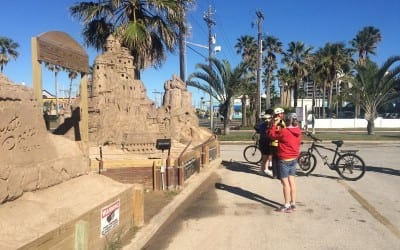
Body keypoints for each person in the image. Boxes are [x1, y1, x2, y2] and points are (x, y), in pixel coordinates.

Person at [268, 112, 302, 213]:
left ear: (287, 121)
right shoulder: (298, 131)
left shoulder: (284, 131)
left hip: (284, 159)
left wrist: (274, 124)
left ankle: (286, 205)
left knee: (285, 183)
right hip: (293, 158)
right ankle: (293, 203)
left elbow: (271, 135)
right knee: (292, 181)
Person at [254, 111, 273, 176]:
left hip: (267, 142)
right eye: (268, 118)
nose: (269, 120)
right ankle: (262, 170)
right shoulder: (263, 126)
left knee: (268, 157)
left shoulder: (266, 125)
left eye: (270, 118)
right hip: (264, 143)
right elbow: (267, 133)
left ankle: (266, 169)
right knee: (265, 157)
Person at [269, 107, 286, 178]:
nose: (283, 114)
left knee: (274, 159)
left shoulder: (272, 121)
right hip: (278, 142)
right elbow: (285, 131)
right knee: (279, 159)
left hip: (272, 143)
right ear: (278, 114)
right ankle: (279, 174)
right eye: (281, 113)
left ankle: (275, 174)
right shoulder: (280, 121)